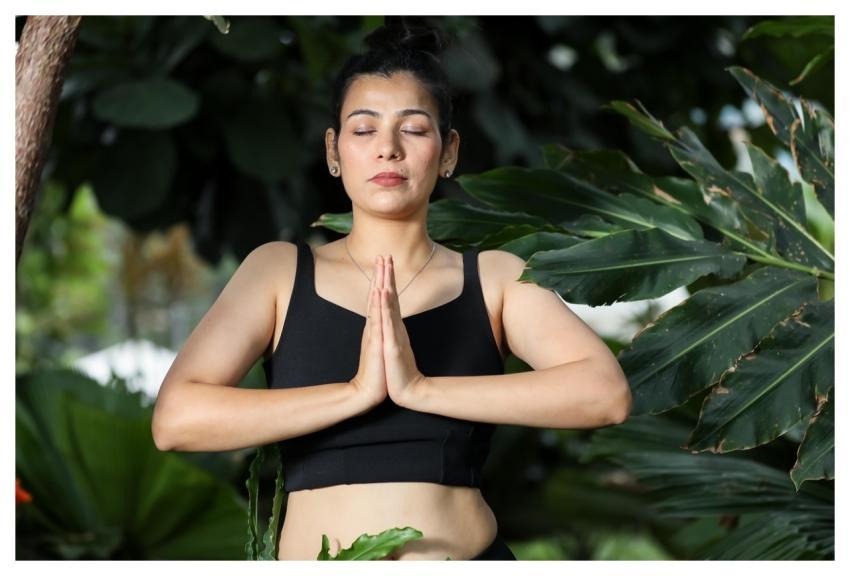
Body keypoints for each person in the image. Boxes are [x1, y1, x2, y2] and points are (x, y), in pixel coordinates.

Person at [152, 18, 631, 561]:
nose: (388, 149)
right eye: (363, 129)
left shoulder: (494, 277)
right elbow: (176, 420)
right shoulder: (280, 272)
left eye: (414, 128)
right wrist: (356, 392)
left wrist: (420, 389)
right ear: (334, 150)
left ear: (448, 151)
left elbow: (605, 395)